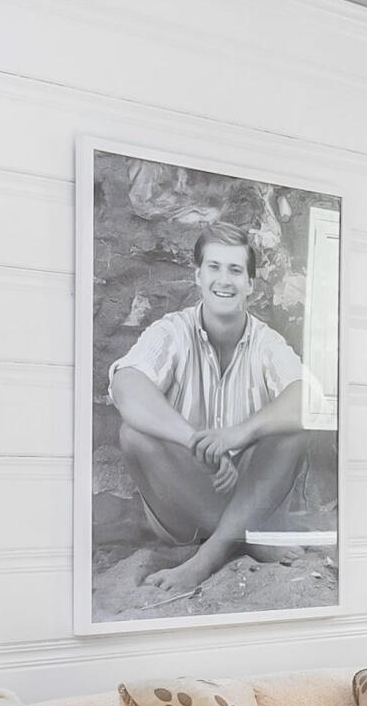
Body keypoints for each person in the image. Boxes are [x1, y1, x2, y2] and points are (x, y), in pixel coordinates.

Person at [108, 224, 320, 593]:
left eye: (236, 270)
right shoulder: (171, 330)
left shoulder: (266, 342)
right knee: (134, 434)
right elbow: (127, 386)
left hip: (251, 489)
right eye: (214, 267)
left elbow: (310, 398)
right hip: (184, 501)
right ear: (198, 275)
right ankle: (244, 537)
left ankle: (210, 555)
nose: (225, 280)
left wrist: (237, 435)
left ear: (251, 284)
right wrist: (197, 443)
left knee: (291, 433)